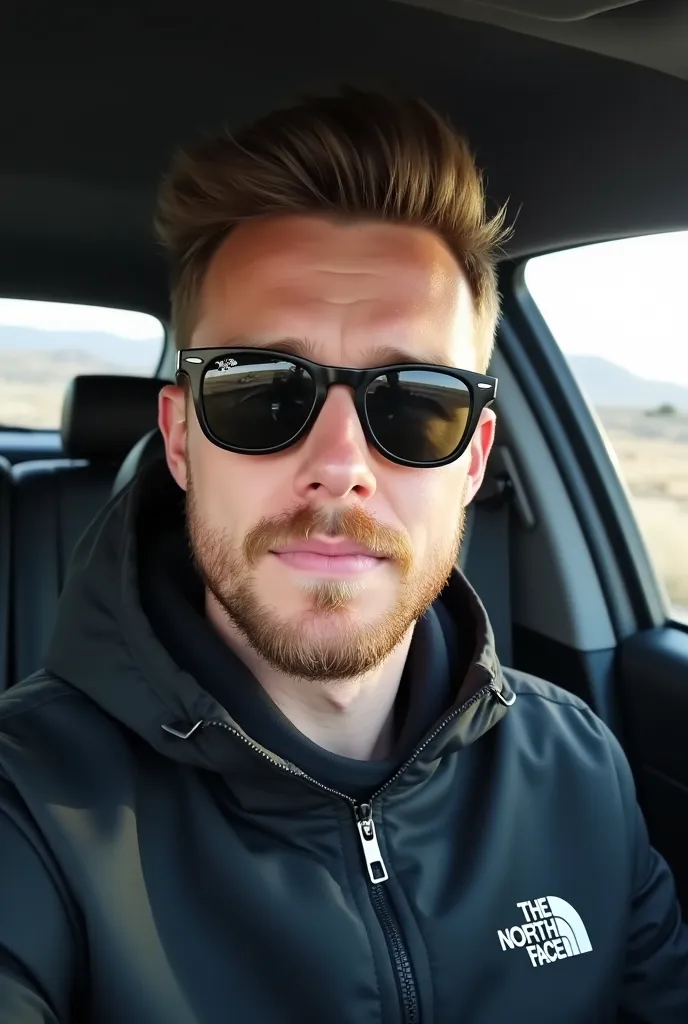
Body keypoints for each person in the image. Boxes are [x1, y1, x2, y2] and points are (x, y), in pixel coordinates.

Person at [0, 90, 686, 1024]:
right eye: (261, 390)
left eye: (415, 404)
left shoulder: (577, 769)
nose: (339, 469)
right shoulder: (30, 804)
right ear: (180, 440)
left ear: (475, 457)